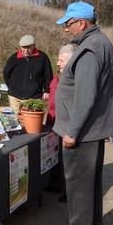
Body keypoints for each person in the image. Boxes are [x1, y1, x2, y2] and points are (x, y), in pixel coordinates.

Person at [49, 1, 113, 225]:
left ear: (81, 23)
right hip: (91, 129)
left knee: (78, 184)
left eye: (69, 24)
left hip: (82, 132)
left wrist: (72, 131)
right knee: (89, 182)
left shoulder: (90, 49)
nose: (66, 30)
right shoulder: (99, 42)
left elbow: (85, 96)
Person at [46, 43, 76, 201]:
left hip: (65, 126)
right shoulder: (56, 79)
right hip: (53, 122)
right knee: (54, 154)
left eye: (61, 60)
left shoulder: (73, 81)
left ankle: (68, 192)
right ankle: (56, 183)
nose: (57, 63)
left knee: (67, 160)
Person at [3, 34, 53, 113]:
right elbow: (6, 73)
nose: (26, 50)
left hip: (34, 98)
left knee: (31, 123)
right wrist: (11, 87)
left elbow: (48, 75)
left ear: (34, 46)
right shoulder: (14, 58)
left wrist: (47, 91)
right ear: (20, 47)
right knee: (16, 122)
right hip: (15, 97)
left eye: (28, 47)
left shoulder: (43, 58)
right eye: (23, 47)